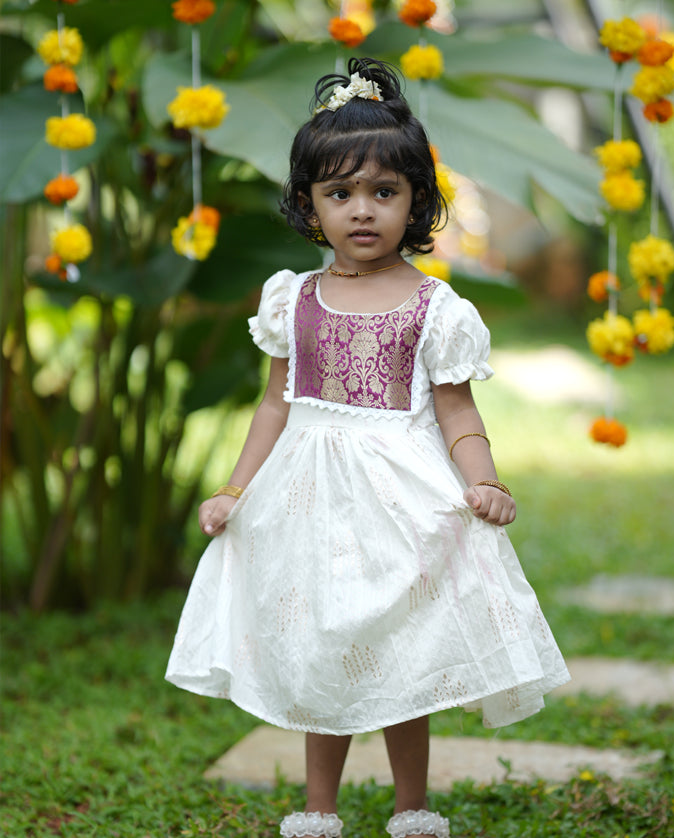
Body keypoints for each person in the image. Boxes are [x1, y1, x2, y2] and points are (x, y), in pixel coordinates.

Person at [166, 57, 570, 838]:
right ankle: (318, 811)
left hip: (400, 501)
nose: (362, 210)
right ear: (308, 203)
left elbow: (457, 410)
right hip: (308, 502)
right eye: (339, 192)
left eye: (383, 192)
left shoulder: (433, 306)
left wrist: (484, 481)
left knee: (398, 658)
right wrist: (233, 490)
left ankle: (410, 806)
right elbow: (273, 407)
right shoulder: (294, 298)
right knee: (324, 649)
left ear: (416, 201)